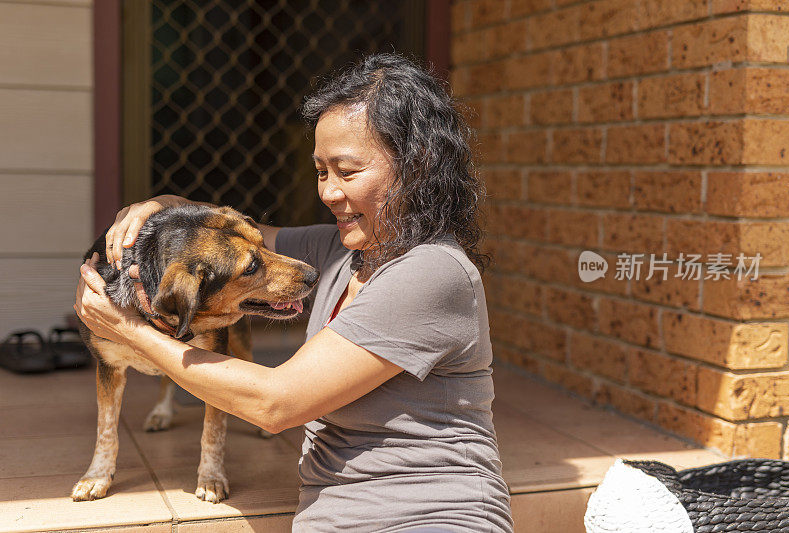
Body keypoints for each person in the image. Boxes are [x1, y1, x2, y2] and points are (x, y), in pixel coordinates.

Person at [75, 53, 513, 532]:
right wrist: (157, 208)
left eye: (347, 172)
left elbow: (275, 403)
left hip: (428, 517)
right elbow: (226, 233)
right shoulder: (341, 250)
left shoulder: (430, 271)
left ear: (417, 167)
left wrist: (128, 331)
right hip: (337, 517)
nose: (326, 192)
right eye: (321, 171)